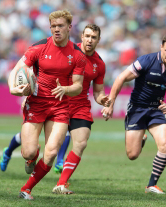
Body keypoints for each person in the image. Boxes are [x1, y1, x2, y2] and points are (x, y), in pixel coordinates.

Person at [8, 9, 87, 200]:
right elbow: (17, 70)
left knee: (51, 153)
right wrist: (14, 89)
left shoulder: (78, 55)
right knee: (28, 152)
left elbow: (78, 86)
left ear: (69, 27)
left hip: (60, 107)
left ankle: (26, 189)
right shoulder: (38, 47)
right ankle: (31, 157)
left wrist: (65, 90)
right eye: (53, 26)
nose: (56, 30)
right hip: (36, 104)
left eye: (60, 26)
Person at [101, 33, 166, 194]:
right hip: (137, 109)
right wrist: (110, 104)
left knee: (165, 145)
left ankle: (151, 185)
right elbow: (120, 78)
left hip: (157, 111)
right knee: (132, 155)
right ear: (161, 47)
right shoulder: (146, 61)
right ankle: (142, 138)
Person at [52, 24, 111, 194]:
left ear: (98, 40)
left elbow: (98, 92)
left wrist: (103, 100)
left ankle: (61, 183)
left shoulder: (99, 64)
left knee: (81, 143)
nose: (90, 40)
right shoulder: (68, 50)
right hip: (58, 101)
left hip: (80, 106)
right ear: (82, 37)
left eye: (93, 37)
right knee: (51, 148)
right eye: (87, 36)